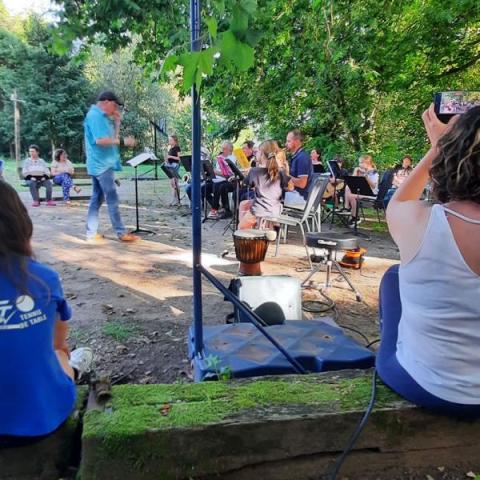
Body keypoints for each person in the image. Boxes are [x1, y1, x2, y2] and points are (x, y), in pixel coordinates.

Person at [377, 104, 480, 416]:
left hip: (427, 386)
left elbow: (398, 201)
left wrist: (436, 146)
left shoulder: (419, 221)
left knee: (393, 278)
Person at [0, 180, 93, 446]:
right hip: (44, 417)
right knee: (60, 353)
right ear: (20, 223)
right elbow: (57, 343)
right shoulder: (44, 278)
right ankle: (76, 367)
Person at [84, 91, 138, 242]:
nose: (115, 109)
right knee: (112, 198)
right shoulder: (95, 116)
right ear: (106, 102)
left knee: (97, 198)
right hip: (101, 165)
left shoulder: (102, 117)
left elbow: (112, 138)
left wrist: (117, 123)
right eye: (114, 105)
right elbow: (100, 140)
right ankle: (121, 233)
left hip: (102, 163)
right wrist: (123, 142)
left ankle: (91, 233)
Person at [238, 140, 292, 229]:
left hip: (259, 209)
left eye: (258, 151)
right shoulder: (281, 171)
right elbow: (290, 188)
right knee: (244, 204)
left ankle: (248, 232)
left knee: (241, 228)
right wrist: (287, 172)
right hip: (275, 209)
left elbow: (245, 184)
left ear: (262, 154)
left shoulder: (254, 171)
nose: (256, 153)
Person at [343, 154, 379, 226]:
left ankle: (355, 217)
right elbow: (351, 182)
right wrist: (355, 172)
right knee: (347, 187)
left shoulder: (374, 172)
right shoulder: (363, 171)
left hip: (371, 193)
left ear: (367, 163)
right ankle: (347, 208)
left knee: (352, 196)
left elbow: (374, 186)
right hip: (362, 191)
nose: (359, 164)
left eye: (361, 163)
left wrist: (366, 177)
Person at [208, 141, 237, 219]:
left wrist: (216, 172)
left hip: (228, 180)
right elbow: (217, 170)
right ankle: (218, 207)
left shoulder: (232, 158)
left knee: (220, 186)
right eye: (221, 148)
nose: (222, 150)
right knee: (205, 187)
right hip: (217, 179)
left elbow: (229, 174)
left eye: (224, 148)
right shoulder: (220, 157)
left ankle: (223, 210)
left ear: (230, 150)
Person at [284, 130, 313, 207]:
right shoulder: (298, 156)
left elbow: (302, 184)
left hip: (300, 199)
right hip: (295, 194)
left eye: (288, 141)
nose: (285, 144)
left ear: (296, 142)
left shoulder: (302, 158)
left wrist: (284, 175)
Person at [165, 135, 181, 206]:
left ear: (175, 141)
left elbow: (179, 158)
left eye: (171, 140)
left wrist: (170, 156)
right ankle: (175, 199)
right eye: (169, 140)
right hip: (170, 165)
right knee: (172, 183)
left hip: (175, 165)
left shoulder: (177, 148)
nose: (169, 141)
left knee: (175, 183)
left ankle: (177, 200)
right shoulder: (170, 148)